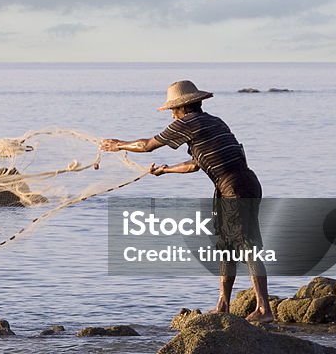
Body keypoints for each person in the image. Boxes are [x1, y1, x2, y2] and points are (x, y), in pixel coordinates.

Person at [100, 80, 274, 323]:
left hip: (236, 187)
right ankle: (223, 305)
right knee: (226, 247)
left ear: (182, 107)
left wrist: (118, 145)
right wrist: (166, 170)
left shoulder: (188, 123)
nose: (171, 114)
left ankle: (265, 310)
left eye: (173, 109)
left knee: (247, 245)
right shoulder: (212, 121)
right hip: (235, 185)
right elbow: (195, 165)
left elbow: (147, 145)